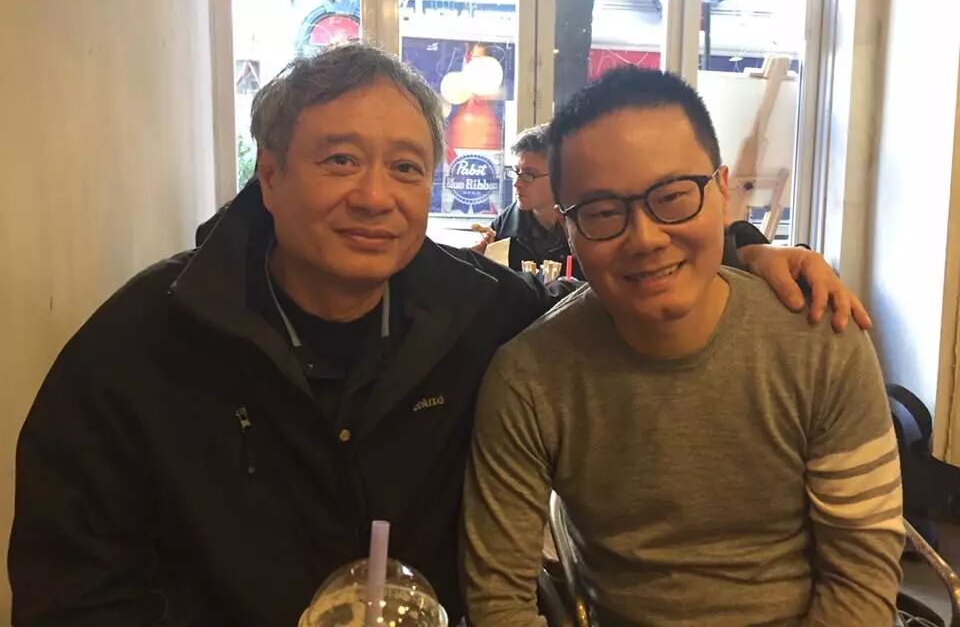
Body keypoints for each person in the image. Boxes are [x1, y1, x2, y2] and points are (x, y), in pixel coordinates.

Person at [10, 44, 868, 627]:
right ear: (268, 173)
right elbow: (72, 588)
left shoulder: (481, 313)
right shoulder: (143, 345)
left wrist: (746, 253)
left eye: (406, 167)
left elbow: (627, 282)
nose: (374, 195)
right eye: (339, 160)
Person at [462, 67, 903, 627]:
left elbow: (861, 580)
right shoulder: (529, 378)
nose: (645, 239)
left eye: (672, 197)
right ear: (567, 229)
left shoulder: (820, 341)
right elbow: (499, 600)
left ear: (722, 191)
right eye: (602, 213)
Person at [471, 125, 583, 277]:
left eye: (529, 175)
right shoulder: (501, 230)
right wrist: (475, 262)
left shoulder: (586, 225)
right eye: (516, 172)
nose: (517, 183)